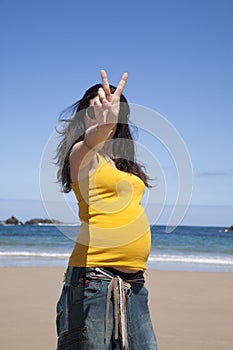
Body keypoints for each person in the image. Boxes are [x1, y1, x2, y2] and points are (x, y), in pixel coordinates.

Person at [55, 70, 158, 349]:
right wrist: (101, 127)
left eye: (111, 108)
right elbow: (90, 141)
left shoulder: (122, 164)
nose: (104, 113)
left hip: (134, 285)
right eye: (95, 109)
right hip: (94, 281)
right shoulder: (81, 156)